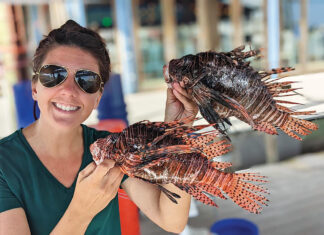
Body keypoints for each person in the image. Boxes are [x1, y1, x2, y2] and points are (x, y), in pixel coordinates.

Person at [0, 20, 198, 234]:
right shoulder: (5, 163)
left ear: (97, 98)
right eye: (54, 74)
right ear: (35, 88)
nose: (68, 90)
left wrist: (178, 132)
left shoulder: (111, 149)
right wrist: (81, 211)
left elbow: (171, 220)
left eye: (86, 80)